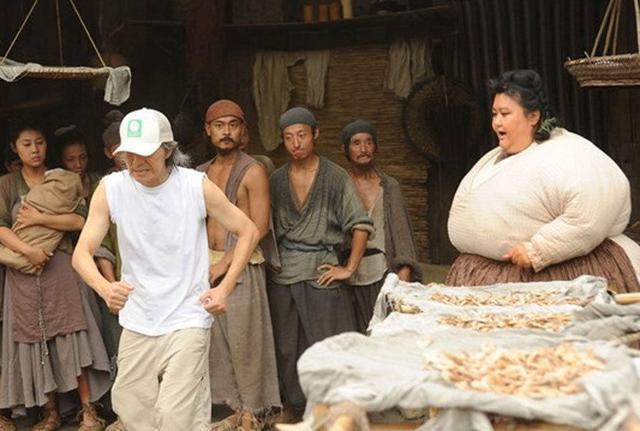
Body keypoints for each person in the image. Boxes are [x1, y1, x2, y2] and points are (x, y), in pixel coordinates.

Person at [72, 108, 259, 431]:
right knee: (130, 406)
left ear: (167, 150)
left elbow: (248, 231)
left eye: (145, 153)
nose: (135, 162)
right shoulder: (111, 189)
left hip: (187, 315)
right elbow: (81, 254)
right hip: (138, 317)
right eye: (128, 154)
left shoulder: (194, 186)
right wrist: (104, 288)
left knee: (175, 414)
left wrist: (224, 289)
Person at [446, 69, 640, 292]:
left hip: (557, 275)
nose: (497, 122)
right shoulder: (493, 159)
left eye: (505, 114)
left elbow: (593, 207)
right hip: (483, 274)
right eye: (494, 114)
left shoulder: (567, 152)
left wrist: (539, 250)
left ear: (533, 116)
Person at [0, 123, 111, 431]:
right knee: (34, 339)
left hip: (59, 265)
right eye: (26, 144)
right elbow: (1, 227)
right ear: (14, 148)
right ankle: (50, 413)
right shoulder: (7, 185)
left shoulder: (61, 178)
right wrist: (29, 251)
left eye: (39, 142)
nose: (35, 149)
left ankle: (89, 411)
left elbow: (80, 221)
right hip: (23, 272)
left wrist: (40, 218)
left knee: (72, 334)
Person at [268, 107, 373, 419]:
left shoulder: (335, 176)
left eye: (302, 135)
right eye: (289, 137)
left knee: (327, 344)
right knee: (287, 348)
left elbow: (360, 224)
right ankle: (297, 408)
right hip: (284, 273)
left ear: (315, 134)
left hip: (321, 270)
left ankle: (336, 411)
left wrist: (348, 268)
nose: (296, 143)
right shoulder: (276, 180)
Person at [197, 99, 280, 430]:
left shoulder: (253, 171)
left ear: (243, 129)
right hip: (207, 264)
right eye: (219, 126)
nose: (226, 132)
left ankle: (253, 411)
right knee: (217, 343)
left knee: (247, 341)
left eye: (233, 125)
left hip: (243, 263)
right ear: (208, 130)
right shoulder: (199, 173)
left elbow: (259, 226)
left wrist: (226, 264)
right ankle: (234, 406)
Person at [341, 120, 422, 333]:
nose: (363, 148)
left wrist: (402, 281)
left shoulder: (389, 186)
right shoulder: (339, 186)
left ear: (375, 147)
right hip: (347, 277)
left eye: (369, 142)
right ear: (345, 149)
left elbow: (402, 235)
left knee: (384, 335)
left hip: (382, 273)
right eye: (356, 143)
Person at [54, 125, 101, 202]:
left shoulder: (99, 182)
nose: (78, 165)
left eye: (83, 157)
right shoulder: (55, 190)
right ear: (60, 161)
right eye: (70, 160)